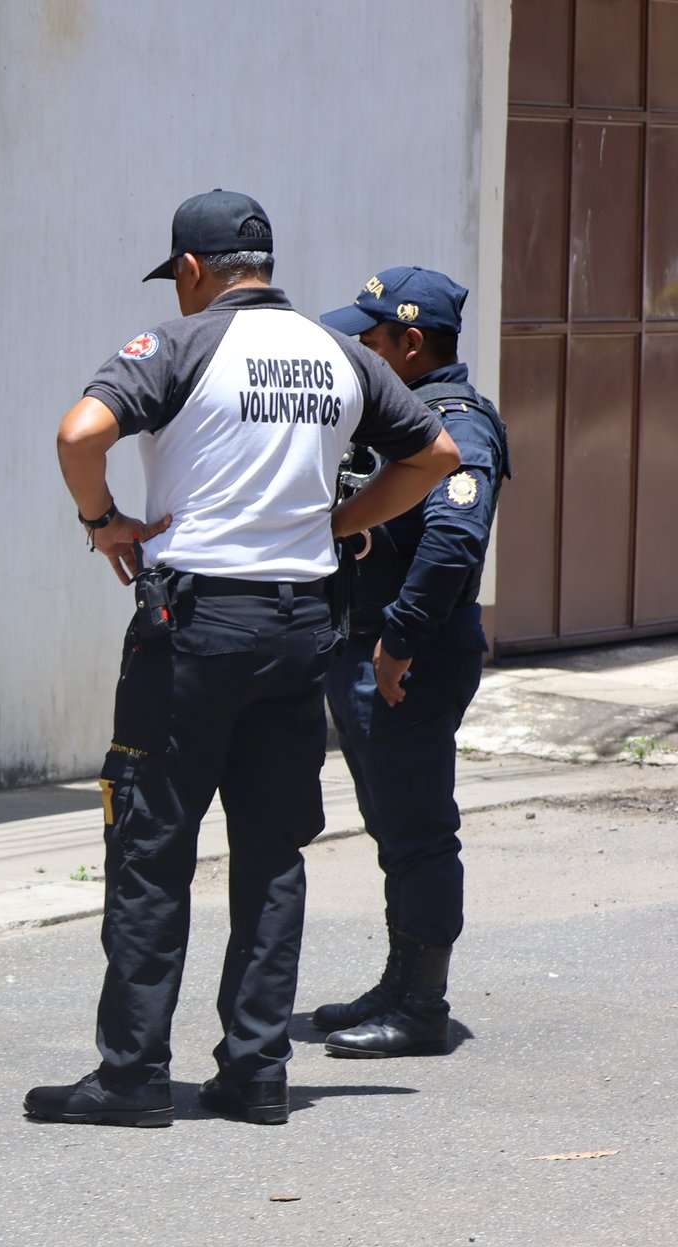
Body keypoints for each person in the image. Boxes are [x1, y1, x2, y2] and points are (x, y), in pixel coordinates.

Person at [25, 189, 461, 1128]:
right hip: (302, 626)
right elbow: (434, 454)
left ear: (191, 270)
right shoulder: (338, 353)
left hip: (193, 627)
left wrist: (104, 523)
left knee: (151, 849)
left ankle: (133, 1075)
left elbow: (79, 433)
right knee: (271, 854)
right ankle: (256, 1069)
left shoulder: (179, 347)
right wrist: (337, 521)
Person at [311, 268, 510, 1058]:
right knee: (393, 822)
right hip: (370, 648)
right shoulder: (398, 419)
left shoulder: (458, 423)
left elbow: (454, 542)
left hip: (409, 659)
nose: (361, 349)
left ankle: (422, 1004)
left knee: (420, 826)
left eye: (373, 338)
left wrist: (397, 644)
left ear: (412, 343)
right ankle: (400, 979)